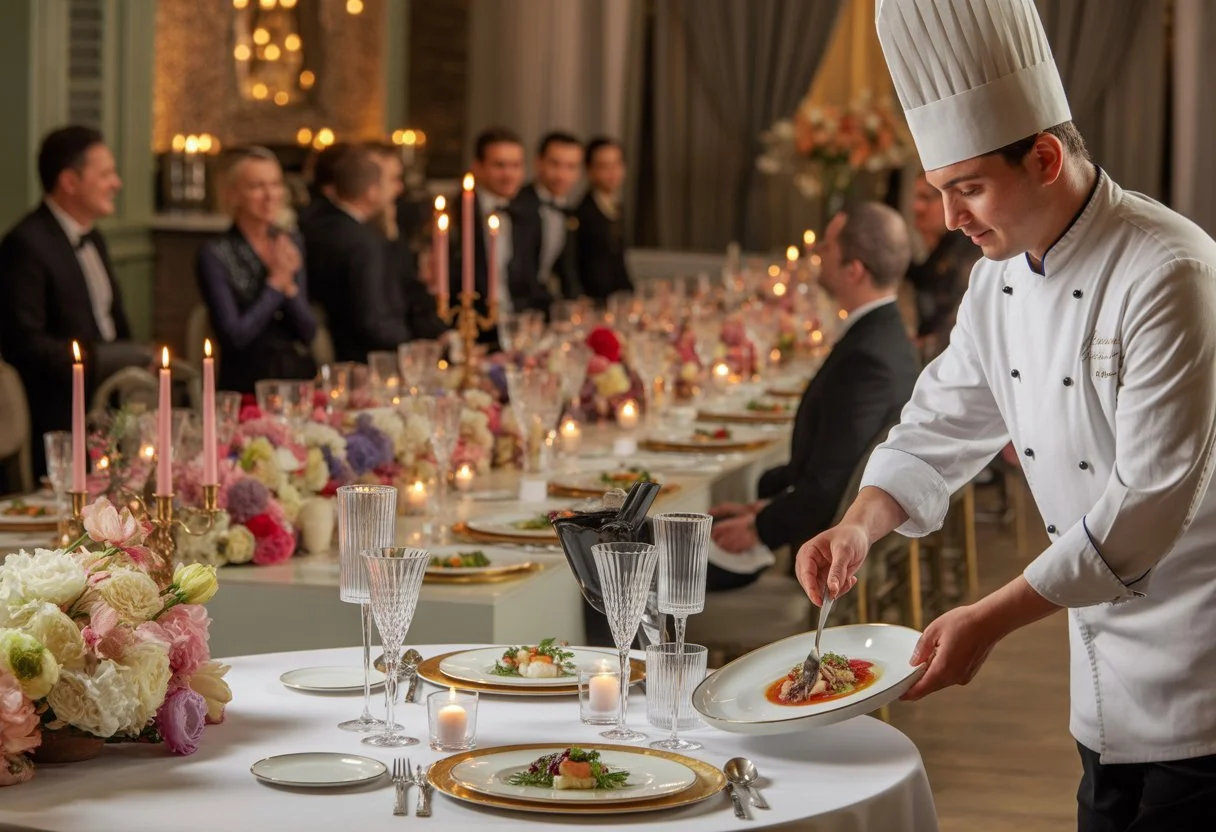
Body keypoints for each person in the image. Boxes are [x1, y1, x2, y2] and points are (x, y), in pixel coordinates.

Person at [797, 2, 1216, 829]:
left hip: (1199, 664)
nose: (952, 218)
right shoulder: (998, 278)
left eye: (970, 189)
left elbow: (1145, 508)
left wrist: (988, 620)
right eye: (940, 193)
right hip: (1100, 673)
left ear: (1045, 158)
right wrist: (858, 524)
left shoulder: (1172, 272)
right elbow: (941, 421)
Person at [706, 202, 918, 590]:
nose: (817, 252)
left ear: (854, 270)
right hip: (821, 523)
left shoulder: (866, 358)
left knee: (634, 561)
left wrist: (758, 529)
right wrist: (763, 508)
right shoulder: (886, 335)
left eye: (827, 246)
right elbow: (831, 463)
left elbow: (830, 486)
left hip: (824, 550)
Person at [0, 125, 150, 477]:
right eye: (106, 174)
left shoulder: (93, 237)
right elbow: (25, 347)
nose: (117, 183)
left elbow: (114, 322)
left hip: (110, 404)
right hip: (60, 415)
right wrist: (112, 358)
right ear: (69, 182)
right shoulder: (25, 245)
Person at [196, 147, 317, 393]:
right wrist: (275, 285)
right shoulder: (214, 254)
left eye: (275, 184)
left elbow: (308, 331)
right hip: (247, 383)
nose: (270, 195)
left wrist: (290, 288)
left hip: (298, 380)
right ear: (234, 194)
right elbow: (234, 337)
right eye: (256, 186)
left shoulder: (290, 242)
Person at [301, 145, 408, 362]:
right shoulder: (364, 241)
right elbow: (372, 319)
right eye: (388, 182)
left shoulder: (315, 224)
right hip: (361, 358)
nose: (397, 190)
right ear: (372, 192)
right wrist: (411, 344)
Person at [449, 127, 546, 342]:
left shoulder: (528, 213)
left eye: (516, 166)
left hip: (517, 332)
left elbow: (530, 281)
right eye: (499, 165)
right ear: (477, 167)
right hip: (470, 334)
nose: (509, 175)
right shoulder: (456, 214)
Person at [365, 142, 447, 341]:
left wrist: (442, 334)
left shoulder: (393, 226)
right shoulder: (355, 237)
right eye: (393, 179)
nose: (400, 189)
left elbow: (411, 289)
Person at [905, 172, 980, 360]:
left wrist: (924, 344)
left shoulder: (968, 255)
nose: (916, 207)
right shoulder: (940, 249)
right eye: (916, 198)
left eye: (925, 198)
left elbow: (955, 324)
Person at [514, 131, 583, 300]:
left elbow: (566, 268)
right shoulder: (519, 204)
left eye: (571, 167)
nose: (562, 175)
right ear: (538, 163)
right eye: (555, 164)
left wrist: (576, 300)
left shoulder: (568, 209)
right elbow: (522, 273)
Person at [576, 137, 634, 302]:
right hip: (594, 301)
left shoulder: (616, 207)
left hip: (618, 300)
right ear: (590, 170)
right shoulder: (583, 212)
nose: (613, 172)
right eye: (604, 166)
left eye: (617, 164)